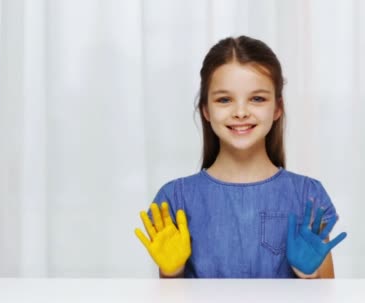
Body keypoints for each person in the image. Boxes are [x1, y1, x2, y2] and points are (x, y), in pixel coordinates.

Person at [134, 35, 347, 279]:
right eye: (224, 100)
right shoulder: (176, 199)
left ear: (277, 108)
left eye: (257, 99)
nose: (241, 112)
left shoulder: (307, 196)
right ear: (206, 109)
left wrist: (308, 276)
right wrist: (172, 273)